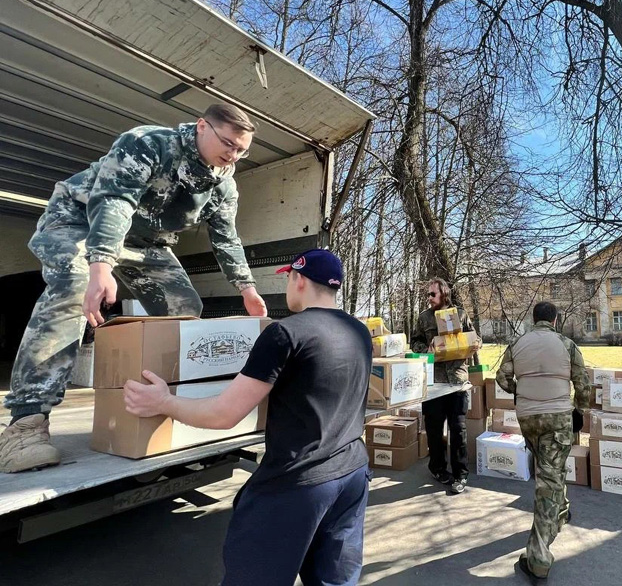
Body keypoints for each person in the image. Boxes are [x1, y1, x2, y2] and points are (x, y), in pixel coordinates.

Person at [0, 103, 268, 473]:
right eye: (228, 143)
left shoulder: (223, 183)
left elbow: (226, 237)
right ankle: (25, 425)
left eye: (242, 150)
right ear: (203, 126)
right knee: (74, 288)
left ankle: (164, 406)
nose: (233, 155)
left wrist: (246, 288)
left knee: (183, 308)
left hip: (146, 244)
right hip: (79, 221)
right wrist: (101, 265)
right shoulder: (148, 143)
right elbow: (114, 202)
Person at [123, 248, 371, 586]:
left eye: (288, 278)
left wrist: (164, 401)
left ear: (298, 279)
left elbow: (224, 414)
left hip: (298, 482)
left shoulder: (286, 333)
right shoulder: (359, 332)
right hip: (353, 474)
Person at [495, 301, 590, 581]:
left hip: (528, 417)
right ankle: (538, 557)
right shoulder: (566, 344)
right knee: (549, 478)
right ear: (555, 320)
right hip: (558, 416)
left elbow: (502, 377)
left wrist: (521, 389)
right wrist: (580, 410)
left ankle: (560, 512)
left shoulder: (518, 343)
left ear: (533, 319)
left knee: (549, 468)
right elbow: (583, 382)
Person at [410, 277, 480, 494]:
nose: (429, 298)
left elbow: (475, 337)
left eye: (433, 294)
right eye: (428, 295)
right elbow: (415, 343)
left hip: (457, 381)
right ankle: (438, 468)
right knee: (433, 428)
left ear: (444, 294)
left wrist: (475, 344)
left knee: (458, 429)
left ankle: (461, 474)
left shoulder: (459, 314)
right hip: (434, 382)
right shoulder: (424, 318)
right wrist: (427, 348)